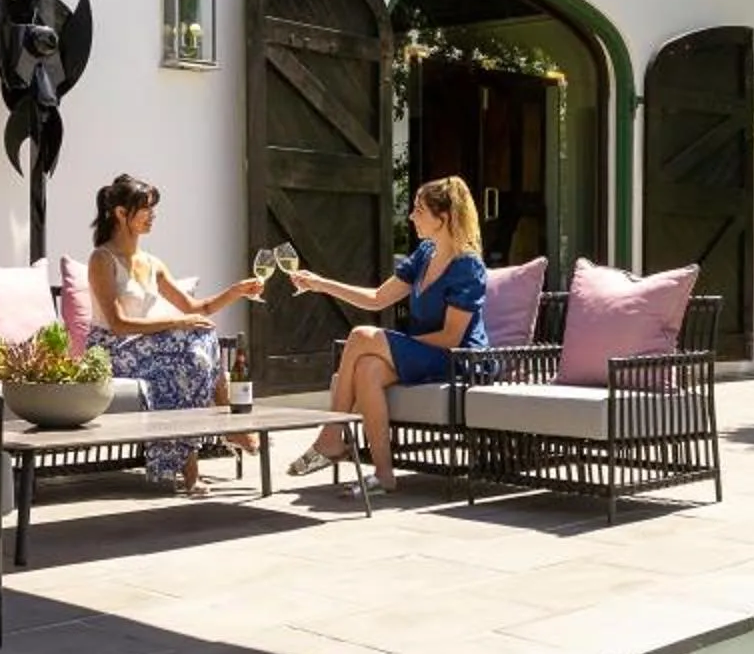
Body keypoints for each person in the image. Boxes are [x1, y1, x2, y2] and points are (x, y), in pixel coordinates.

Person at [286, 176, 489, 495]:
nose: (411, 216)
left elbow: (451, 338)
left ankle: (331, 435)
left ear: (444, 217)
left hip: (458, 360)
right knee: (367, 368)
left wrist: (393, 346)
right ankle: (384, 474)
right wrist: (321, 284)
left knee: (363, 335)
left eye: (419, 209)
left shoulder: (468, 266)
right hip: (426, 354)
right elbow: (377, 298)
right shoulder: (425, 254)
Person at [85, 174, 267, 495]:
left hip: (148, 349)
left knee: (197, 344)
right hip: (112, 350)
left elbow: (198, 307)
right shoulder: (103, 259)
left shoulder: (152, 263)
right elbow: (117, 323)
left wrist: (238, 290)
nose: (152, 215)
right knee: (187, 350)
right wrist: (175, 323)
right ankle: (227, 424)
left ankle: (198, 462)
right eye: (145, 208)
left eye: (153, 208)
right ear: (120, 213)